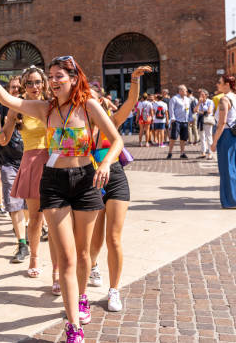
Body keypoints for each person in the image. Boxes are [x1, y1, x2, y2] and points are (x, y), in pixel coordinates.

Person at [0, 53, 123, 343]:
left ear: (73, 78)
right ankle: (74, 327)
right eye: (50, 77)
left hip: (86, 181)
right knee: (65, 259)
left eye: (58, 76)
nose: (52, 82)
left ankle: (82, 296)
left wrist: (104, 164)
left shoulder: (88, 105)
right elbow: (9, 101)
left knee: (84, 253)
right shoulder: (45, 109)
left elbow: (117, 140)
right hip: (53, 182)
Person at [89, 65, 152, 312]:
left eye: (94, 101)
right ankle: (92, 266)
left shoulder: (112, 122)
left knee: (113, 237)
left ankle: (114, 290)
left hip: (114, 178)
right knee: (93, 241)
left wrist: (134, 79)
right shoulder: (78, 129)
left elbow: (131, 102)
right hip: (91, 182)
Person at [9, 66, 59, 292]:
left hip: (54, 161)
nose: (34, 87)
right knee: (36, 219)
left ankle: (58, 269)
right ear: (23, 85)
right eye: (29, 83)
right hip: (31, 161)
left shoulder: (53, 103)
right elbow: (1, 138)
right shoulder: (18, 107)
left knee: (56, 220)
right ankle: (35, 257)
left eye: (38, 82)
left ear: (44, 83)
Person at [0, 101, 29, 263]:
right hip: (9, 164)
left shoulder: (33, 110)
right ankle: (22, 244)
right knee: (14, 204)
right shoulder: (0, 111)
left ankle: (24, 230)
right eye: (12, 88)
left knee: (27, 205)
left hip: (31, 163)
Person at [211, 75, 236, 209]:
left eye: (219, 82)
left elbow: (222, 122)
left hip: (227, 135)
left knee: (227, 168)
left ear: (226, 84)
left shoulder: (224, 100)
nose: (217, 84)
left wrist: (214, 142)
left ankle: (231, 200)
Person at [166, 85, 191, 159]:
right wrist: (172, 118)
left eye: (186, 90)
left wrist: (190, 118)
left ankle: (182, 153)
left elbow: (188, 109)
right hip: (177, 120)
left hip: (185, 121)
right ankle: (170, 152)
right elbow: (171, 109)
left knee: (183, 138)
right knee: (173, 137)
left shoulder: (187, 99)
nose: (186, 91)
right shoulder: (174, 98)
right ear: (180, 91)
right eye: (185, 90)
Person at [196, 89, 214, 159]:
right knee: (202, 137)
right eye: (200, 95)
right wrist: (198, 103)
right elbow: (195, 110)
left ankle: (210, 153)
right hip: (200, 120)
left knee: (208, 136)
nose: (201, 96)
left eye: (202, 95)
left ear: (206, 95)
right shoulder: (199, 102)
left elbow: (209, 111)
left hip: (207, 120)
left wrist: (200, 112)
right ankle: (203, 152)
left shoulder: (210, 102)